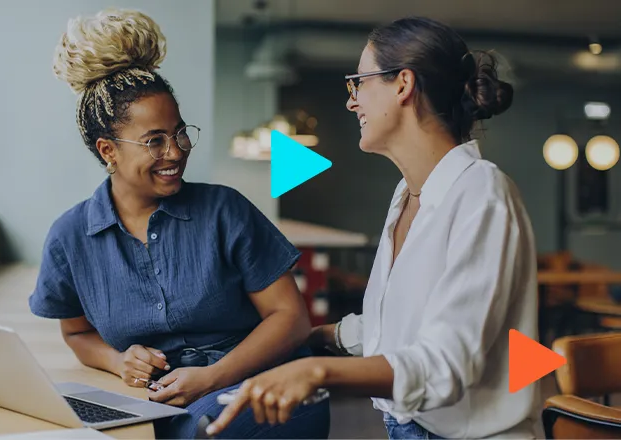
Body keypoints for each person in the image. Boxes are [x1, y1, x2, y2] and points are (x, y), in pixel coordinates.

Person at [208, 16, 541, 440]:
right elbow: (402, 324)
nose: (351, 102)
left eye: (358, 83)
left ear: (403, 84)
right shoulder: (407, 192)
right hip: (407, 428)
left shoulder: (482, 192)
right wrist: (313, 338)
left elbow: (447, 363)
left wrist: (317, 371)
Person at [28, 8, 329, 440]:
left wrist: (212, 376)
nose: (176, 151)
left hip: (269, 384)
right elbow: (76, 332)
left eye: (179, 132)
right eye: (155, 141)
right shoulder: (70, 237)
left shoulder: (225, 210)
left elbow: (291, 318)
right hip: (163, 397)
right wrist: (118, 361)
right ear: (108, 151)